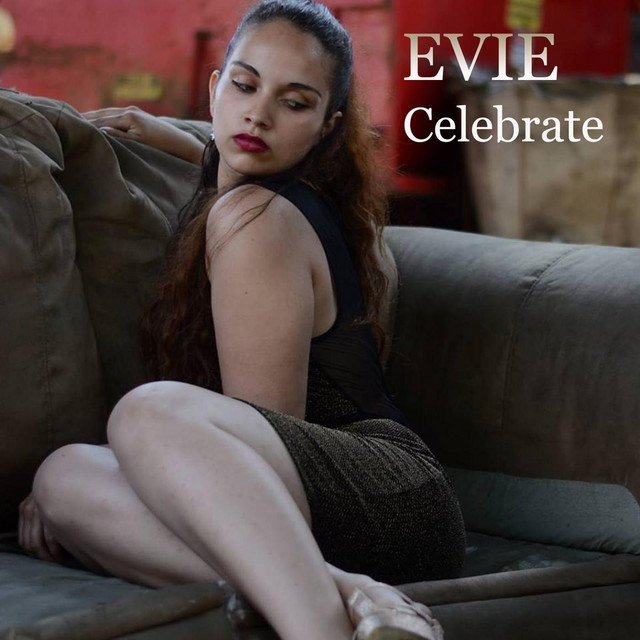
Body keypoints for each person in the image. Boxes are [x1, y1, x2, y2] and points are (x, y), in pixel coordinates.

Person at [18, 1, 466, 638]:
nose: (258, 114)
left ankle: (317, 628)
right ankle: (356, 594)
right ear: (214, 88)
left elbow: (256, 437)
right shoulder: (242, 183)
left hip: (387, 498)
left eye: (295, 102)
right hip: (313, 507)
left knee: (145, 413)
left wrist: (145, 446)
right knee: (63, 477)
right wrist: (163, 131)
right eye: (245, 84)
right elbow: (224, 151)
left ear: (327, 127)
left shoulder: (256, 219)